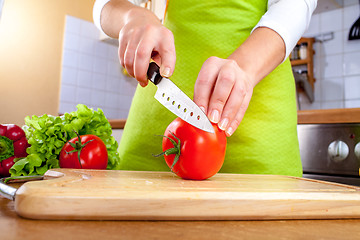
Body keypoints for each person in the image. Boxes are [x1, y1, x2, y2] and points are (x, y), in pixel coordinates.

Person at [93, 0, 317, 177]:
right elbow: (104, 5)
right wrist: (132, 16)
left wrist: (245, 67)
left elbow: (297, 4)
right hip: (153, 129)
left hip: (259, 129)